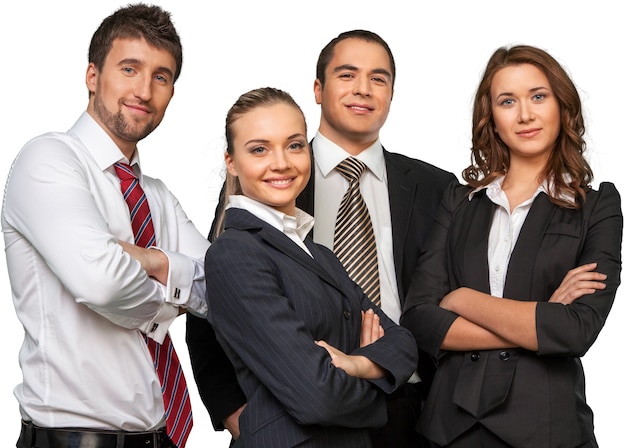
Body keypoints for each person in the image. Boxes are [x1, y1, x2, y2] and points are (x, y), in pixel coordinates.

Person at [186, 29, 456, 447]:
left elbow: (422, 321)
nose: (363, 89)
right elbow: (211, 313)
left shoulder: (435, 187)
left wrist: (362, 365)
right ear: (318, 88)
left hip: (420, 409)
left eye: (378, 78)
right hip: (298, 421)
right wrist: (241, 417)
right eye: (347, 75)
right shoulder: (267, 191)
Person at [2, 4, 210, 448]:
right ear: (92, 76)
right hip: (71, 440)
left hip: (160, 438)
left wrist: (152, 260)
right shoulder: (48, 161)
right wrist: (175, 291)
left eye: (161, 76)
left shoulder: (158, 196)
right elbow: (103, 285)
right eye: (129, 68)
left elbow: (227, 286)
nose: (144, 90)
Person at [400, 44, 622, 447]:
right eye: (508, 101)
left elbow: (576, 331)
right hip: (449, 428)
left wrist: (464, 299)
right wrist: (540, 321)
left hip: (548, 429)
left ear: (562, 106)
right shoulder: (459, 201)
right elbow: (419, 319)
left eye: (538, 96)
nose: (525, 114)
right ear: (492, 119)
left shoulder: (597, 207)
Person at [205, 86, 418, 447]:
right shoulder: (235, 253)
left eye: (294, 145)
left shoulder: (319, 253)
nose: (281, 163)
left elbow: (404, 343)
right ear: (231, 161)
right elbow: (317, 397)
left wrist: (357, 364)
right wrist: (380, 388)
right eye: (259, 149)